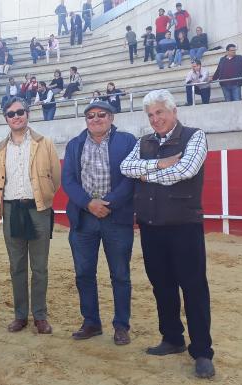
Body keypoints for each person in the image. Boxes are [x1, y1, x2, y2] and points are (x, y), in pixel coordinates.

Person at [120, 89, 215, 379]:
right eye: (150, 115)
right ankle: (172, 337)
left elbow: (185, 170)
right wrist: (160, 164)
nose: (155, 119)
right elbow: (126, 167)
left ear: (173, 112)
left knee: (194, 288)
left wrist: (144, 173)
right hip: (151, 226)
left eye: (160, 112)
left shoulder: (195, 135)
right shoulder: (144, 141)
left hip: (184, 225)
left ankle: (201, 351)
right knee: (161, 285)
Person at [62, 100, 137, 346]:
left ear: (111, 118)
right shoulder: (75, 144)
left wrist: (108, 203)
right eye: (90, 116)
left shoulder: (127, 141)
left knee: (120, 274)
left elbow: (131, 177)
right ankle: (91, 322)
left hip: (116, 217)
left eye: (101, 115)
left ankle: (121, 325)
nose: (96, 119)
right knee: (84, 273)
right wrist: (88, 204)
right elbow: (69, 180)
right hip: (84, 218)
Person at [0, 97, 61, 334]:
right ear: (6, 118)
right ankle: (20, 315)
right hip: (12, 210)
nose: (16, 116)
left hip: (39, 209)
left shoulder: (45, 143)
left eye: (20, 111)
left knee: (40, 266)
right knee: (17, 266)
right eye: (11, 114)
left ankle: (39, 315)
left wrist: (44, 197)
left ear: (28, 113)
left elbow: (55, 177)